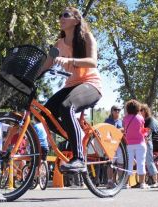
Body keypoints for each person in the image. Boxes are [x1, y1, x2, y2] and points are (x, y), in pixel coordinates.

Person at [39, 7, 102, 172]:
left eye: (65, 15)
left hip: (91, 84)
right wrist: (28, 76)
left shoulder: (87, 37)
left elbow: (93, 62)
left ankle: (79, 159)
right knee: (46, 114)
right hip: (71, 85)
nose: (61, 18)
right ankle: (77, 135)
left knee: (66, 107)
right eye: (60, 15)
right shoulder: (59, 44)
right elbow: (46, 64)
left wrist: (71, 61)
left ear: (76, 20)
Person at [123, 99, 149, 189]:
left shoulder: (125, 118)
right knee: (141, 163)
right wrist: (146, 134)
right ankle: (142, 183)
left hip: (129, 144)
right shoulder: (140, 118)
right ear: (138, 108)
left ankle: (125, 184)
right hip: (140, 143)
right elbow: (143, 130)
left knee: (128, 163)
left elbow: (125, 129)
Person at [103, 105, 123, 188]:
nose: (117, 111)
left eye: (119, 110)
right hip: (110, 145)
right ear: (112, 111)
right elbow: (104, 132)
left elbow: (124, 131)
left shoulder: (121, 122)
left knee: (120, 164)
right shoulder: (107, 121)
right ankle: (110, 181)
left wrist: (121, 129)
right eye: (115, 110)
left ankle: (121, 182)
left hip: (119, 145)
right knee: (110, 163)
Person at [140, 104, 158, 188]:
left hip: (151, 142)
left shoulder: (148, 120)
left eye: (140, 111)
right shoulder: (152, 119)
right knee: (146, 161)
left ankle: (155, 181)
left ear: (144, 111)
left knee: (149, 161)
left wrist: (145, 140)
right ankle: (143, 181)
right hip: (156, 142)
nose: (139, 113)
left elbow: (148, 132)